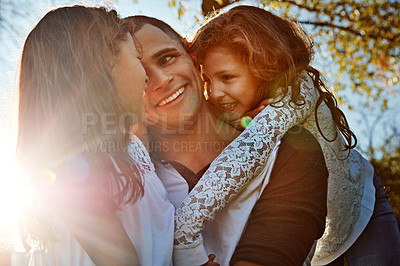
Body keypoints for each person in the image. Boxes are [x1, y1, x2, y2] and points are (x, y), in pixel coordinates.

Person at [187, 5, 400, 265]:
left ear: (262, 68)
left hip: (359, 202)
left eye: (227, 77)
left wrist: (183, 232)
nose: (215, 92)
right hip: (312, 223)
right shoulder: (229, 109)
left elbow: (237, 164)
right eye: (208, 80)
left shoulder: (295, 94)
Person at [127, 15, 329, 265]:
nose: (162, 80)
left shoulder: (290, 148)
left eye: (167, 58)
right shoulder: (126, 185)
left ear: (193, 57)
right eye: (141, 75)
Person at [17, 6, 175, 265]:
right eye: (137, 58)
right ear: (103, 64)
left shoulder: (128, 146)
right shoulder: (67, 169)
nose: (148, 77)